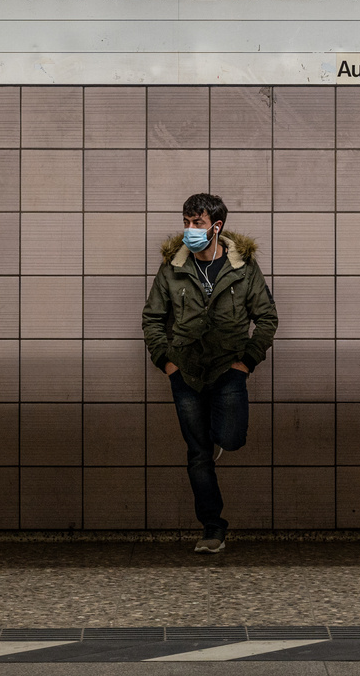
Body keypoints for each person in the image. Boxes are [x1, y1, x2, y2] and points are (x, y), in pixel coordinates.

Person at [141, 192, 278, 554]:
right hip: (184, 372)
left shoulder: (243, 268)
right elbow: (153, 317)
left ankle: (219, 429)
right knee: (198, 453)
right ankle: (212, 528)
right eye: (186, 222)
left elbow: (266, 318)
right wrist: (166, 361)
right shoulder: (173, 267)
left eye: (197, 223)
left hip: (228, 369)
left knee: (230, 438)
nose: (189, 230)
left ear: (216, 227)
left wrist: (246, 361)